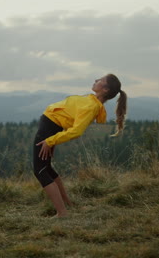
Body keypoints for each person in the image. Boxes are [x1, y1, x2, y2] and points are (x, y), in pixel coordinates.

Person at [33, 73, 128, 217]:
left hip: (49, 129)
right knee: (46, 168)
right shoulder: (91, 101)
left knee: (39, 169)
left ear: (105, 89)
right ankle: (67, 205)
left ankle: (62, 212)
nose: (96, 80)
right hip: (51, 127)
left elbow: (76, 131)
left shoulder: (91, 106)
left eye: (100, 80)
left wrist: (50, 141)